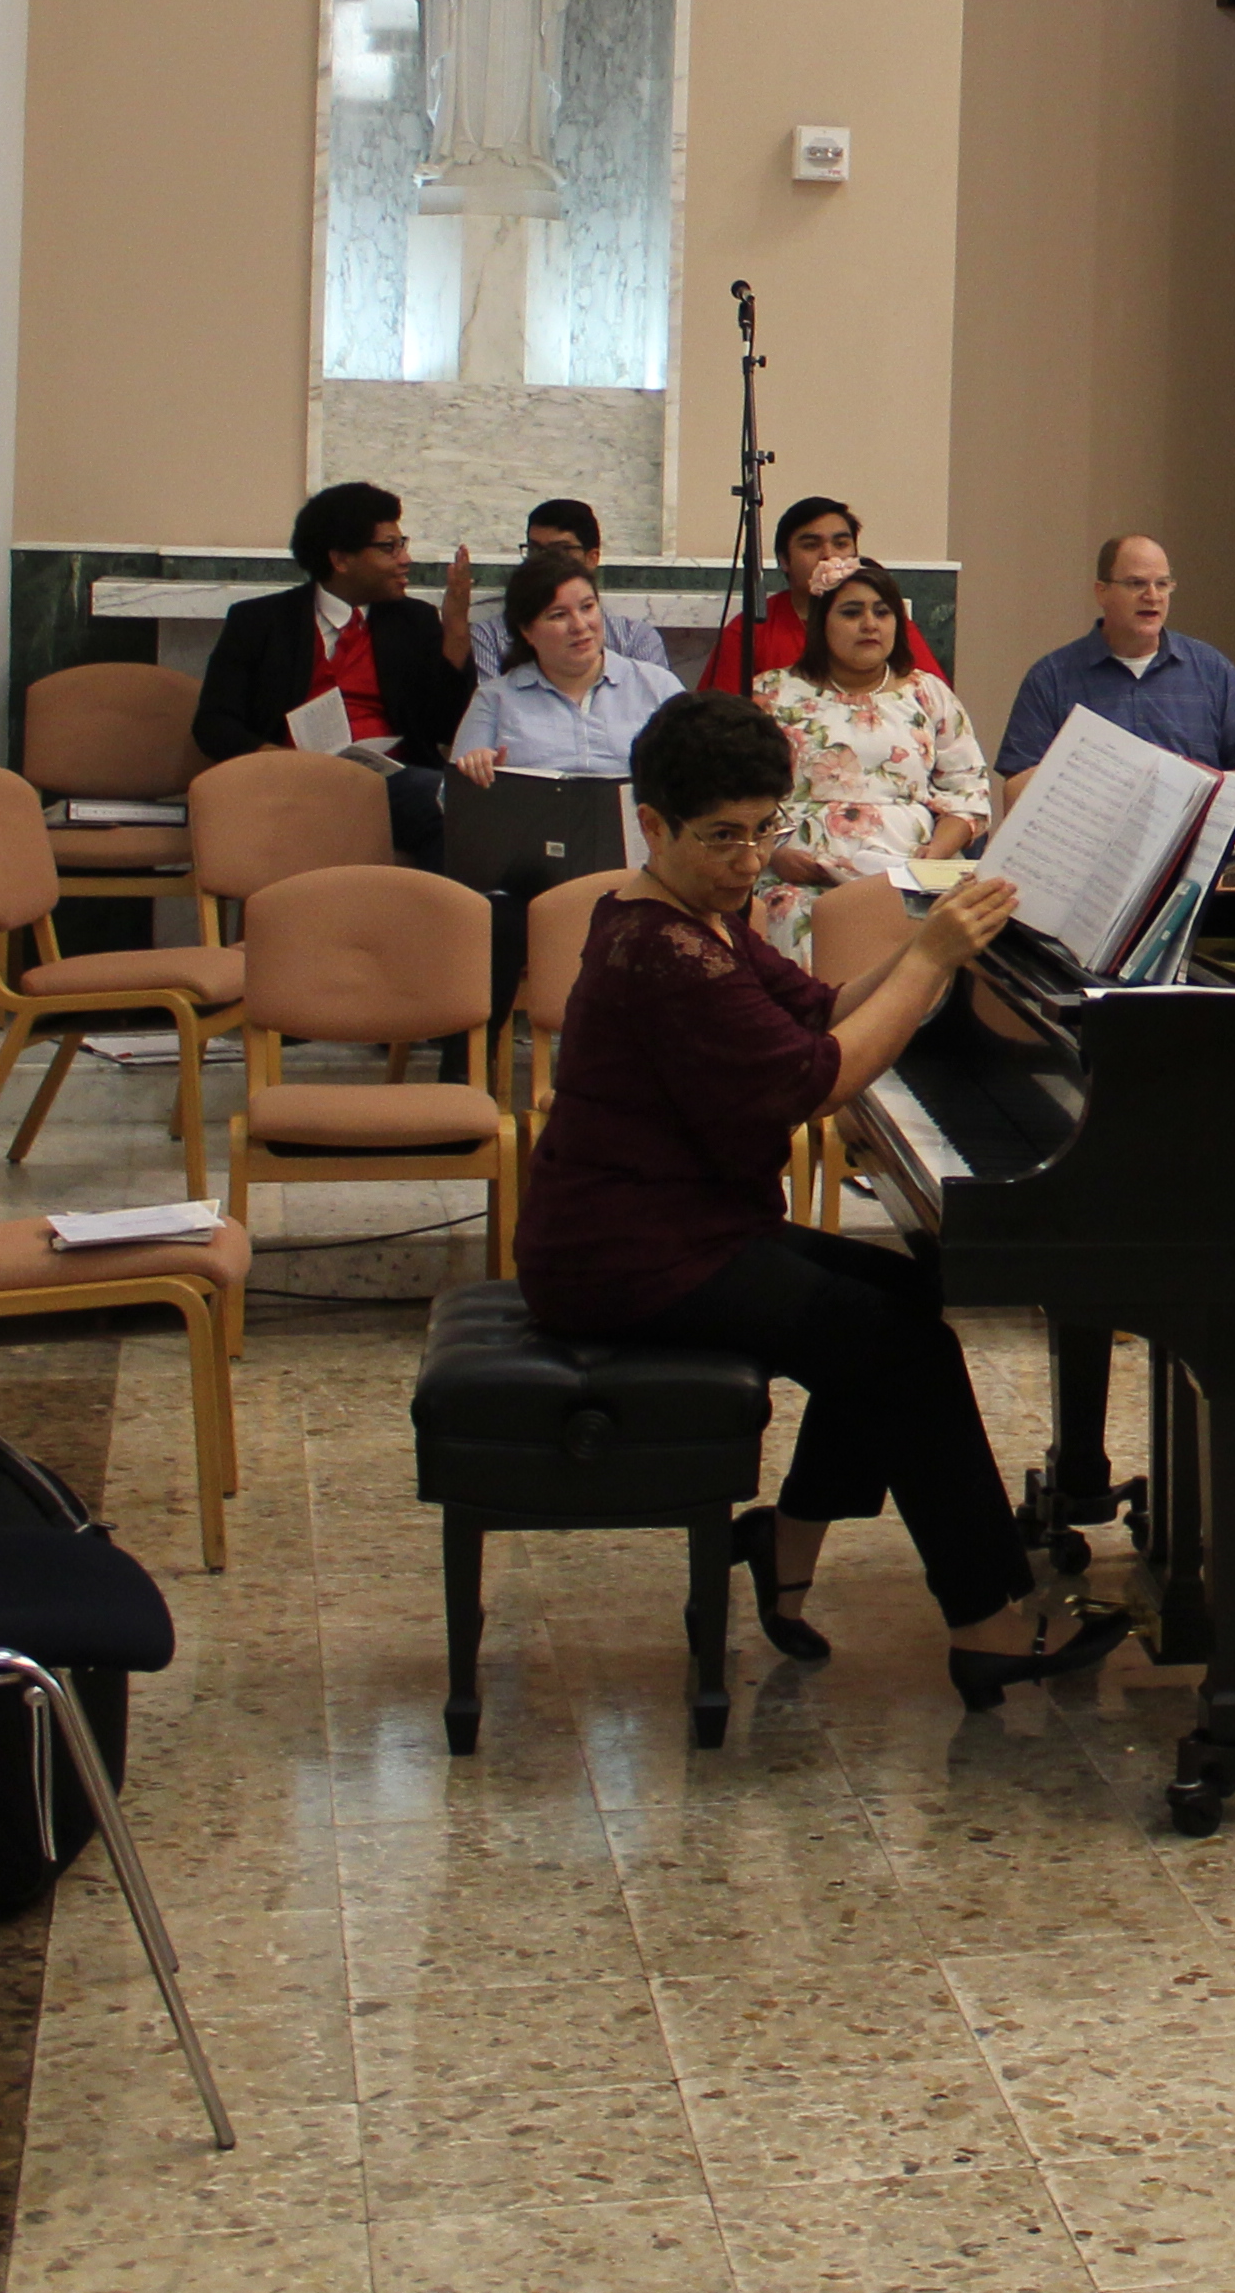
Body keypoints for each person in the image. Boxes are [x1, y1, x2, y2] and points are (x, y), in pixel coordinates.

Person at [508, 692, 1048, 1700]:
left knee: (903, 1302)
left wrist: (927, 938)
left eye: (767, 830)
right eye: (724, 837)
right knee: (897, 1343)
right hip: (625, 1261)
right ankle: (988, 1624)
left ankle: (784, 1548)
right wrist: (931, 961)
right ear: (652, 824)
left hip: (691, 1230)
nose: (751, 858)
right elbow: (820, 1078)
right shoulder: (659, 951)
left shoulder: (693, 916)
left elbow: (821, 1005)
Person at [193, 480, 475, 859]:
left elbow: (446, 727)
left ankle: (436, 916)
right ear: (340, 559)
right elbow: (213, 724)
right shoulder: (260, 622)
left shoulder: (414, 621)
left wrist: (455, 630)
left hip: (391, 783)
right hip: (290, 783)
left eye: (402, 544)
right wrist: (277, 757)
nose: (405, 559)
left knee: (458, 805)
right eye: (388, 548)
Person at [755, 561, 996, 885]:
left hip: (911, 878)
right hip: (798, 882)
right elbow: (735, 797)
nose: (870, 624)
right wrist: (772, 853)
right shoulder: (771, 694)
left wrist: (937, 851)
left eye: (882, 613)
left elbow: (969, 793)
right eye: (852, 613)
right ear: (820, 623)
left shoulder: (927, 693)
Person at [993, 534, 1235, 803]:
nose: (1152, 596)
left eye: (1163, 584)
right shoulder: (1051, 678)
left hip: (1193, 846)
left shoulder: (1210, 670)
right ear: (1101, 592)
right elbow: (1016, 788)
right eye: (1136, 584)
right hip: (1092, 845)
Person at [448, 547, 685, 786]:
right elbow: (451, 797)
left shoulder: (657, 686)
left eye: (587, 607)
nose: (580, 625)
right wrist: (476, 771)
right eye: (558, 615)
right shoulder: (495, 699)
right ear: (526, 631)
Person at [689, 495, 950, 696]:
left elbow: (932, 696)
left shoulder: (884, 622)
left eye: (841, 544)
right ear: (784, 561)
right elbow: (715, 721)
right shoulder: (753, 629)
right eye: (811, 545)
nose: (829, 555)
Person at [458, 497, 665, 681]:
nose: (545, 561)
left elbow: (662, 717)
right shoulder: (489, 636)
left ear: (592, 558)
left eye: (560, 550)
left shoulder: (636, 639)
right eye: (536, 549)